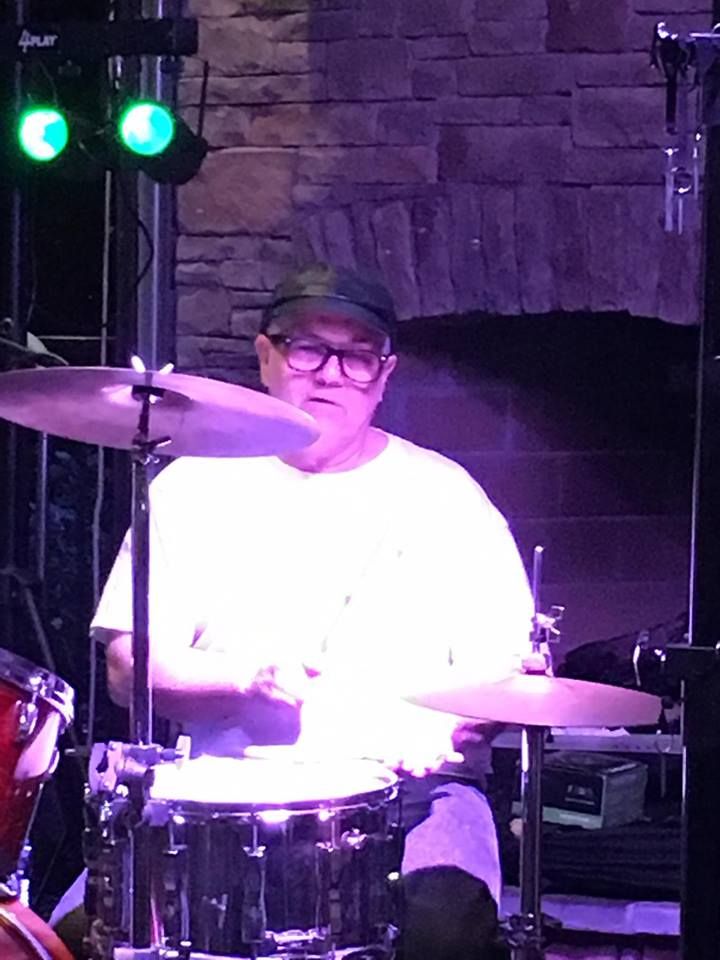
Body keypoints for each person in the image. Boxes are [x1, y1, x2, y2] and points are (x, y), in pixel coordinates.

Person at [91, 263, 534, 959]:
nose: (330, 374)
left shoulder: (448, 499)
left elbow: (505, 676)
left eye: (357, 356)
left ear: (384, 376)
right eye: (307, 349)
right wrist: (246, 681)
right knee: (88, 929)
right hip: (220, 791)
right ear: (266, 357)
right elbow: (128, 670)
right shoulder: (191, 489)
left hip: (415, 796)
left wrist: (449, 729)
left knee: (444, 930)